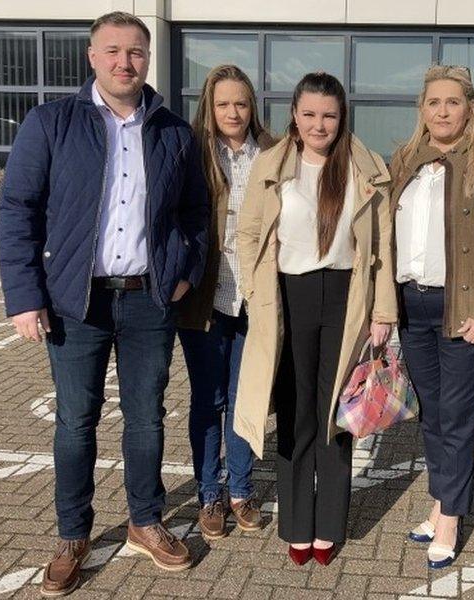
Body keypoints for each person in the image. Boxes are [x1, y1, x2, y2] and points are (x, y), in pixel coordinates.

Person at [0, 11, 208, 597]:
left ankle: (145, 521)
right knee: (75, 422)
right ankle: (73, 534)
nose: (124, 62)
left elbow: (195, 214)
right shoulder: (51, 123)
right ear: (92, 57)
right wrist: (23, 297)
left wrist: (184, 273)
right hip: (75, 303)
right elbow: (18, 210)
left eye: (136, 52)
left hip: (148, 302)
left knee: (146, 419)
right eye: (112, 51)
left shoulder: (171, 132)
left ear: (148, 59)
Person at [232, 72, 397, 567]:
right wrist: (256, 292)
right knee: (297, 414)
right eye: (309, 114)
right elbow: (248, 233)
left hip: (348, 300)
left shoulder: (367, 168)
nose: (319, 124)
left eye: (328, 114)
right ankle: (297, 525)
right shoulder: (272, 164)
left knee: (335, 416)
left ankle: (329, 526)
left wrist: (383, 310)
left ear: (341, 116)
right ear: (294, 116)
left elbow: (383, 246)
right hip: (289, 299)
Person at [389, 65, 474, 570]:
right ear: (422, 109)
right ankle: (442, 501)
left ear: (470, 107)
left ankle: (450, 519)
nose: (442, 111)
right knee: (434, 416)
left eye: (453, 102)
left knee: (458, 420)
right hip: (410, 305)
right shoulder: (404, 160)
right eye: (433, 102)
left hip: (463, 309)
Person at [175, 64, 276, 541]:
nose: (233, 112)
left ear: (252, 105)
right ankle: (208, 494)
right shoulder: (193, 151)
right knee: (208, 400)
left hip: (256, 299)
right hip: (205, 299)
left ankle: (240, 489)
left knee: (244, 400)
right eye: (223, 104)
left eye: (241, 103)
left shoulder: (275, 151)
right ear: (209, 108)